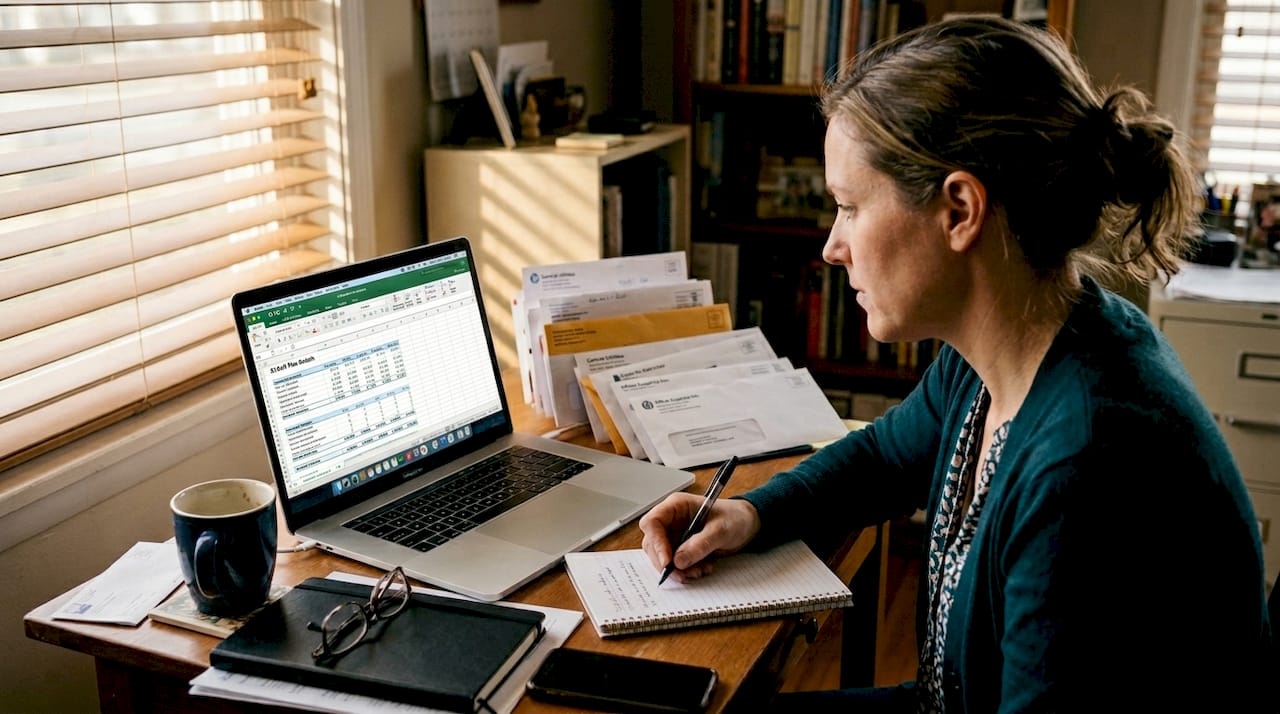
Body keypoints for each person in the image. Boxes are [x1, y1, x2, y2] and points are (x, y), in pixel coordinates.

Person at [638, 17, 1271, 713]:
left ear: (960, 210)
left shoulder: (1087, 463)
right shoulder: (1006, 348)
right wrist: (750, 513)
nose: (831, 247)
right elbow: (884, 456)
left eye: (849, 207)